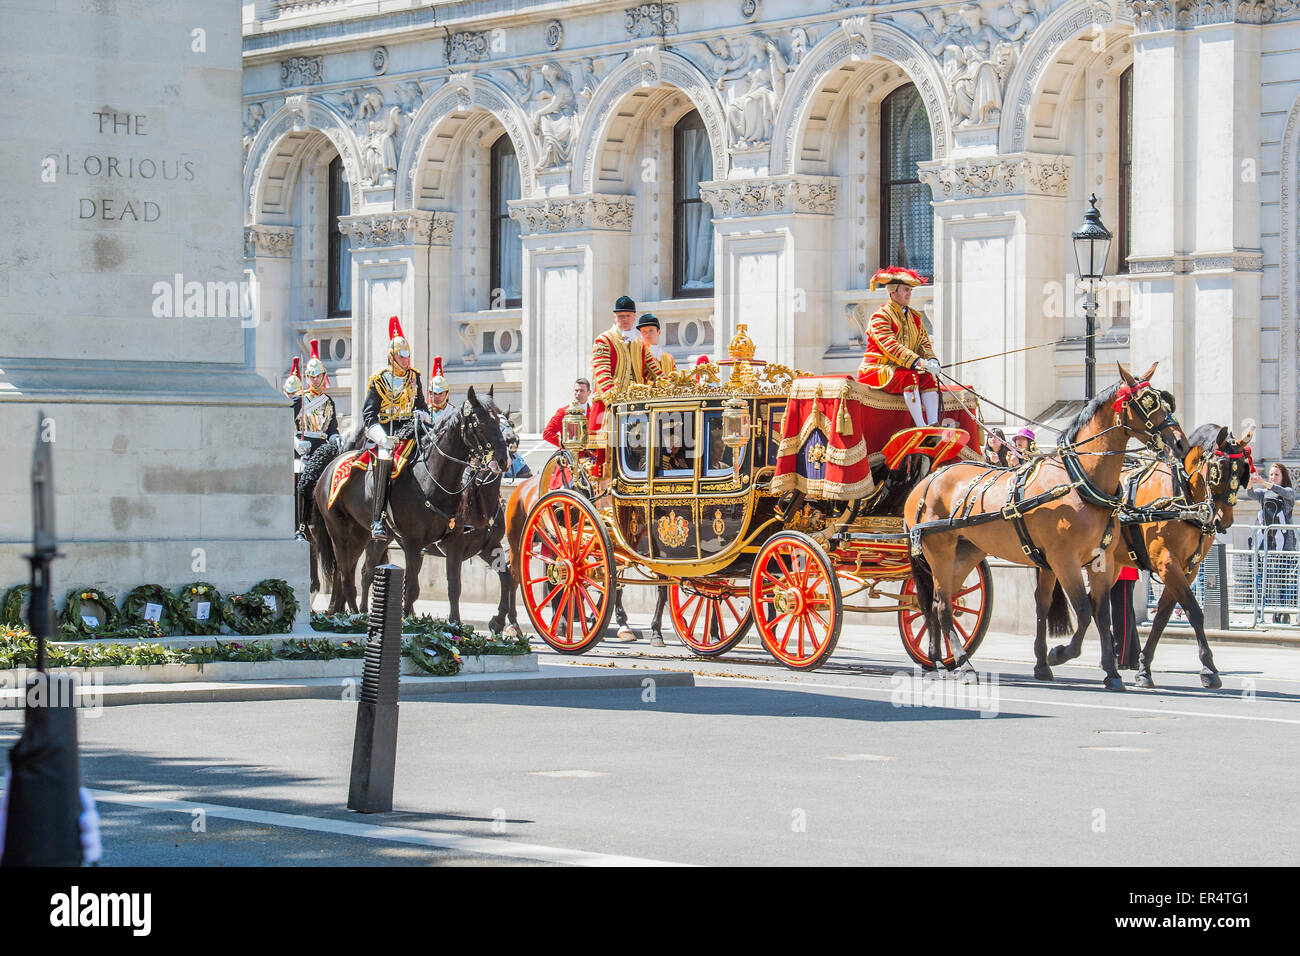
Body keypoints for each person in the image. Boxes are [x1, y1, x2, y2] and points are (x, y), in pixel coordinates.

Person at [362, 316, 431, 539]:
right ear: (392, 357)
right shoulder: (379, 380)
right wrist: (383, 439)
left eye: (407, 355)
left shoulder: (414, 378)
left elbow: (422, 406)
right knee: (384, 458)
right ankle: (378, 519)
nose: (406, 359)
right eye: (402, 356)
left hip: (412, 429)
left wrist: (424, 415)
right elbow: (369, 415)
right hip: (386, 431)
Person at [857, 266, 942, 428]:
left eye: (910, 290)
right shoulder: (880, 316)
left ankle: (933, 424)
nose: (909, 293)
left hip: (903, 370)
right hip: (877, 369)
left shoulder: (914, 317)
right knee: (909, 377)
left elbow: (923, 342)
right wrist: (921, 363)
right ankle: (921, 426)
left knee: (927, 378)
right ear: (892, 292)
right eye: (905, 290)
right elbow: (892, 347)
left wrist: (932, 360)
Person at [588, 295, 662, 478]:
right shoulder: (603, 340)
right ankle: (603, 486)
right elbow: (602, 374)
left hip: (637, 406)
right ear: (615, 317)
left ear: (634, 317)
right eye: (621, 316)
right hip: (609, 408)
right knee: (606, 453)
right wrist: (615, 402)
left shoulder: (640, 344)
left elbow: (656, 372)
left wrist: (672, 389)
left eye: (628, 316)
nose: (624, 319)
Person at [292, 339, 340, 540]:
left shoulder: (328, 401)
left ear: (324, 376)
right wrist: (295, 442)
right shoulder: (299, 399)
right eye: (311, 376)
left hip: (324, 446)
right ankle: (301, 523)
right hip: (304, 447)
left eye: (318, 376)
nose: (314, 380)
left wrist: (336, 438)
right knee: (303, 478)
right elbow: (283, 426)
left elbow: (332, 427)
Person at [1248, 461, 1296, 623]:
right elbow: (1250, 493)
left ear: (1283, 477)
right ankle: (1267, 610)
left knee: (1283, 578)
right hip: (1266, 543)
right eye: (1271, 475)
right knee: (1266, 578)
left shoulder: (1288, 492)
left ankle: (1285, 610)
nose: (1273, 477)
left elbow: (1283, 492)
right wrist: (1251, 480)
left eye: (1276, 475)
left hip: (1284, 545)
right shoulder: (1263, 493)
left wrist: (1265, 483)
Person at [542, 377, 592, 447]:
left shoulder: (593, 412)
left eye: (582, 391)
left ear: (589, 393)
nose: (578, 393)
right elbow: (547, 433)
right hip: (570, 455)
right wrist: (565, 444)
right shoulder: (563, 412)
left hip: (591, 455)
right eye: (576, 390)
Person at [1110, 565, 1141, 670]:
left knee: (1121, 613)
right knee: (1126, 613)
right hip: (1117, 569)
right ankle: (1134, 657)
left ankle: (1120, 656)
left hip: (1121, 571)